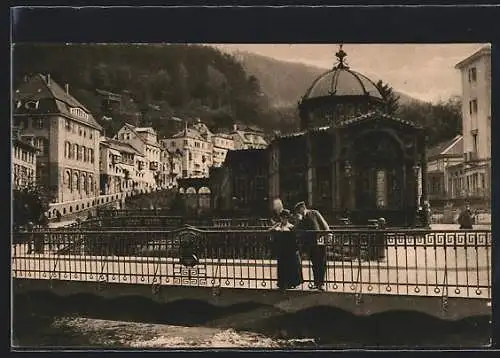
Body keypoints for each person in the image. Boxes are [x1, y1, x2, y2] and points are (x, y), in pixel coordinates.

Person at [293, 201, 330, 291]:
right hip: (311, 244)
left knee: (321, 263)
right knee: (315, 263)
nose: (299, 212)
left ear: (303, 208)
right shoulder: (301, 219)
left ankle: (321, 283)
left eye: (299, 210)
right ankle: (316, 283)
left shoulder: (314, 213)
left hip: (319, 241)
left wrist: (327, 233)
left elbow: (323, 223)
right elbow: (297, 230)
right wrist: (299, 221)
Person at [270, 209, 303, 290]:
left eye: (285, 218)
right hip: (281, 249)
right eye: (282, 217)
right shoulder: (278, 226)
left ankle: (292, 283)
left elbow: (295, 238)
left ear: (288, 218)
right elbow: (271, 231)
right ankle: (282, 283)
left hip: (290, 249)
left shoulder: (291, 227)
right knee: (282, 266)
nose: (283, 219)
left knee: (291, 266)